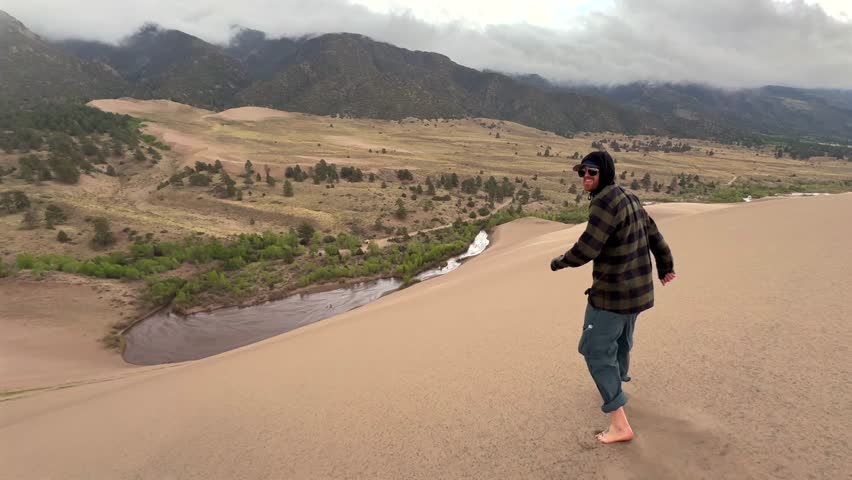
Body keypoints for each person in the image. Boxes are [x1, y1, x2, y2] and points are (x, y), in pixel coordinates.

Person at [550, 151, 676, 444]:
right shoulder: (628, 197)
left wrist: (560, 261)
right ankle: (616, 386)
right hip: (637, 292)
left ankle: (619, 424)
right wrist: (665, 266)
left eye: (591, 172)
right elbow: (655, 235)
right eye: (582, 172)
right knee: (620, 340)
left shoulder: (604, 203)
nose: (585, 177)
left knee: (594, 349)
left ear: (604, 173)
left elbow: (588, 248)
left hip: (612, 294)